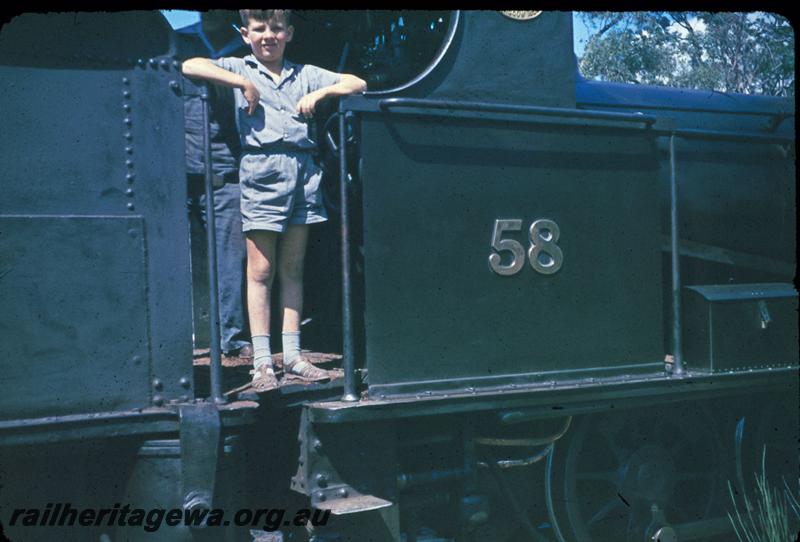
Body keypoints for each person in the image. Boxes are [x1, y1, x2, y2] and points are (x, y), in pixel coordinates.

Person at [182, 9, 367, 391]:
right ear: (245, 34)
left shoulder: (306, 74)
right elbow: (190, 65)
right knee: (261, 271)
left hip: (303, 175)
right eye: (259, 29)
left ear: (290, 33)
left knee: (292, 270)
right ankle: (263, 363)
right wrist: (240, 83)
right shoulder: (239, 67)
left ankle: (294, 356)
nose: (269, 35)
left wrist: (321, 92)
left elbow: (357, 83)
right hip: (261, 173)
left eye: (277, 28)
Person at [176, 11, 253, 361]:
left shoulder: (248, 48)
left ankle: (232, 338)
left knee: (231, 260)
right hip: (176, 174)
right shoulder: (176, 43)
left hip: (226, 172)